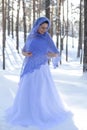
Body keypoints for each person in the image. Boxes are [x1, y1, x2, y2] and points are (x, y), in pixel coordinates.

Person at [5, 17, 72, 129]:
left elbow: (56, 53)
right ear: (37, 25)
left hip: (41, 68)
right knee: (28, 89)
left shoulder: (47, 37)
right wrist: (26, 53)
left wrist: (46, 54)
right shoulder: (30, 36)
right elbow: (23, 50)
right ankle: (25, 113)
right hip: (29, 67)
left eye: (46, 28)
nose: (43, 30)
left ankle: (41, 112)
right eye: (42, 27)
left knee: (41, 90)